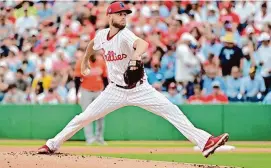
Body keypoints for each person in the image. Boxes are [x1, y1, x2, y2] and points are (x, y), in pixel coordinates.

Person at [37, 1, 229, 158]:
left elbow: (142, 43)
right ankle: (52, 144)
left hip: (140, 89)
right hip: (115, 90)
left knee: (173, 111)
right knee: (84, 117)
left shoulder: (125, 35)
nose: (123, 16)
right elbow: (91, 45)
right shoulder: (102, 35)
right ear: (110, 16)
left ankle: (205, 142)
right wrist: (85, 61)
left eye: (125, 14)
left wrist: (136, 56)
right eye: (120, 13)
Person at [76, 51, 108, 145]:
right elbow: (77, 79)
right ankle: (89, 138)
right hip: (86, 91)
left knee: (101, 115)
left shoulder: (101, 61)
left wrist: (106, 92)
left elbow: (105, 78)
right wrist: (76, 94)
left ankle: (99, 137)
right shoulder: (82, 61)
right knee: (86, 115)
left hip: (99, 91)